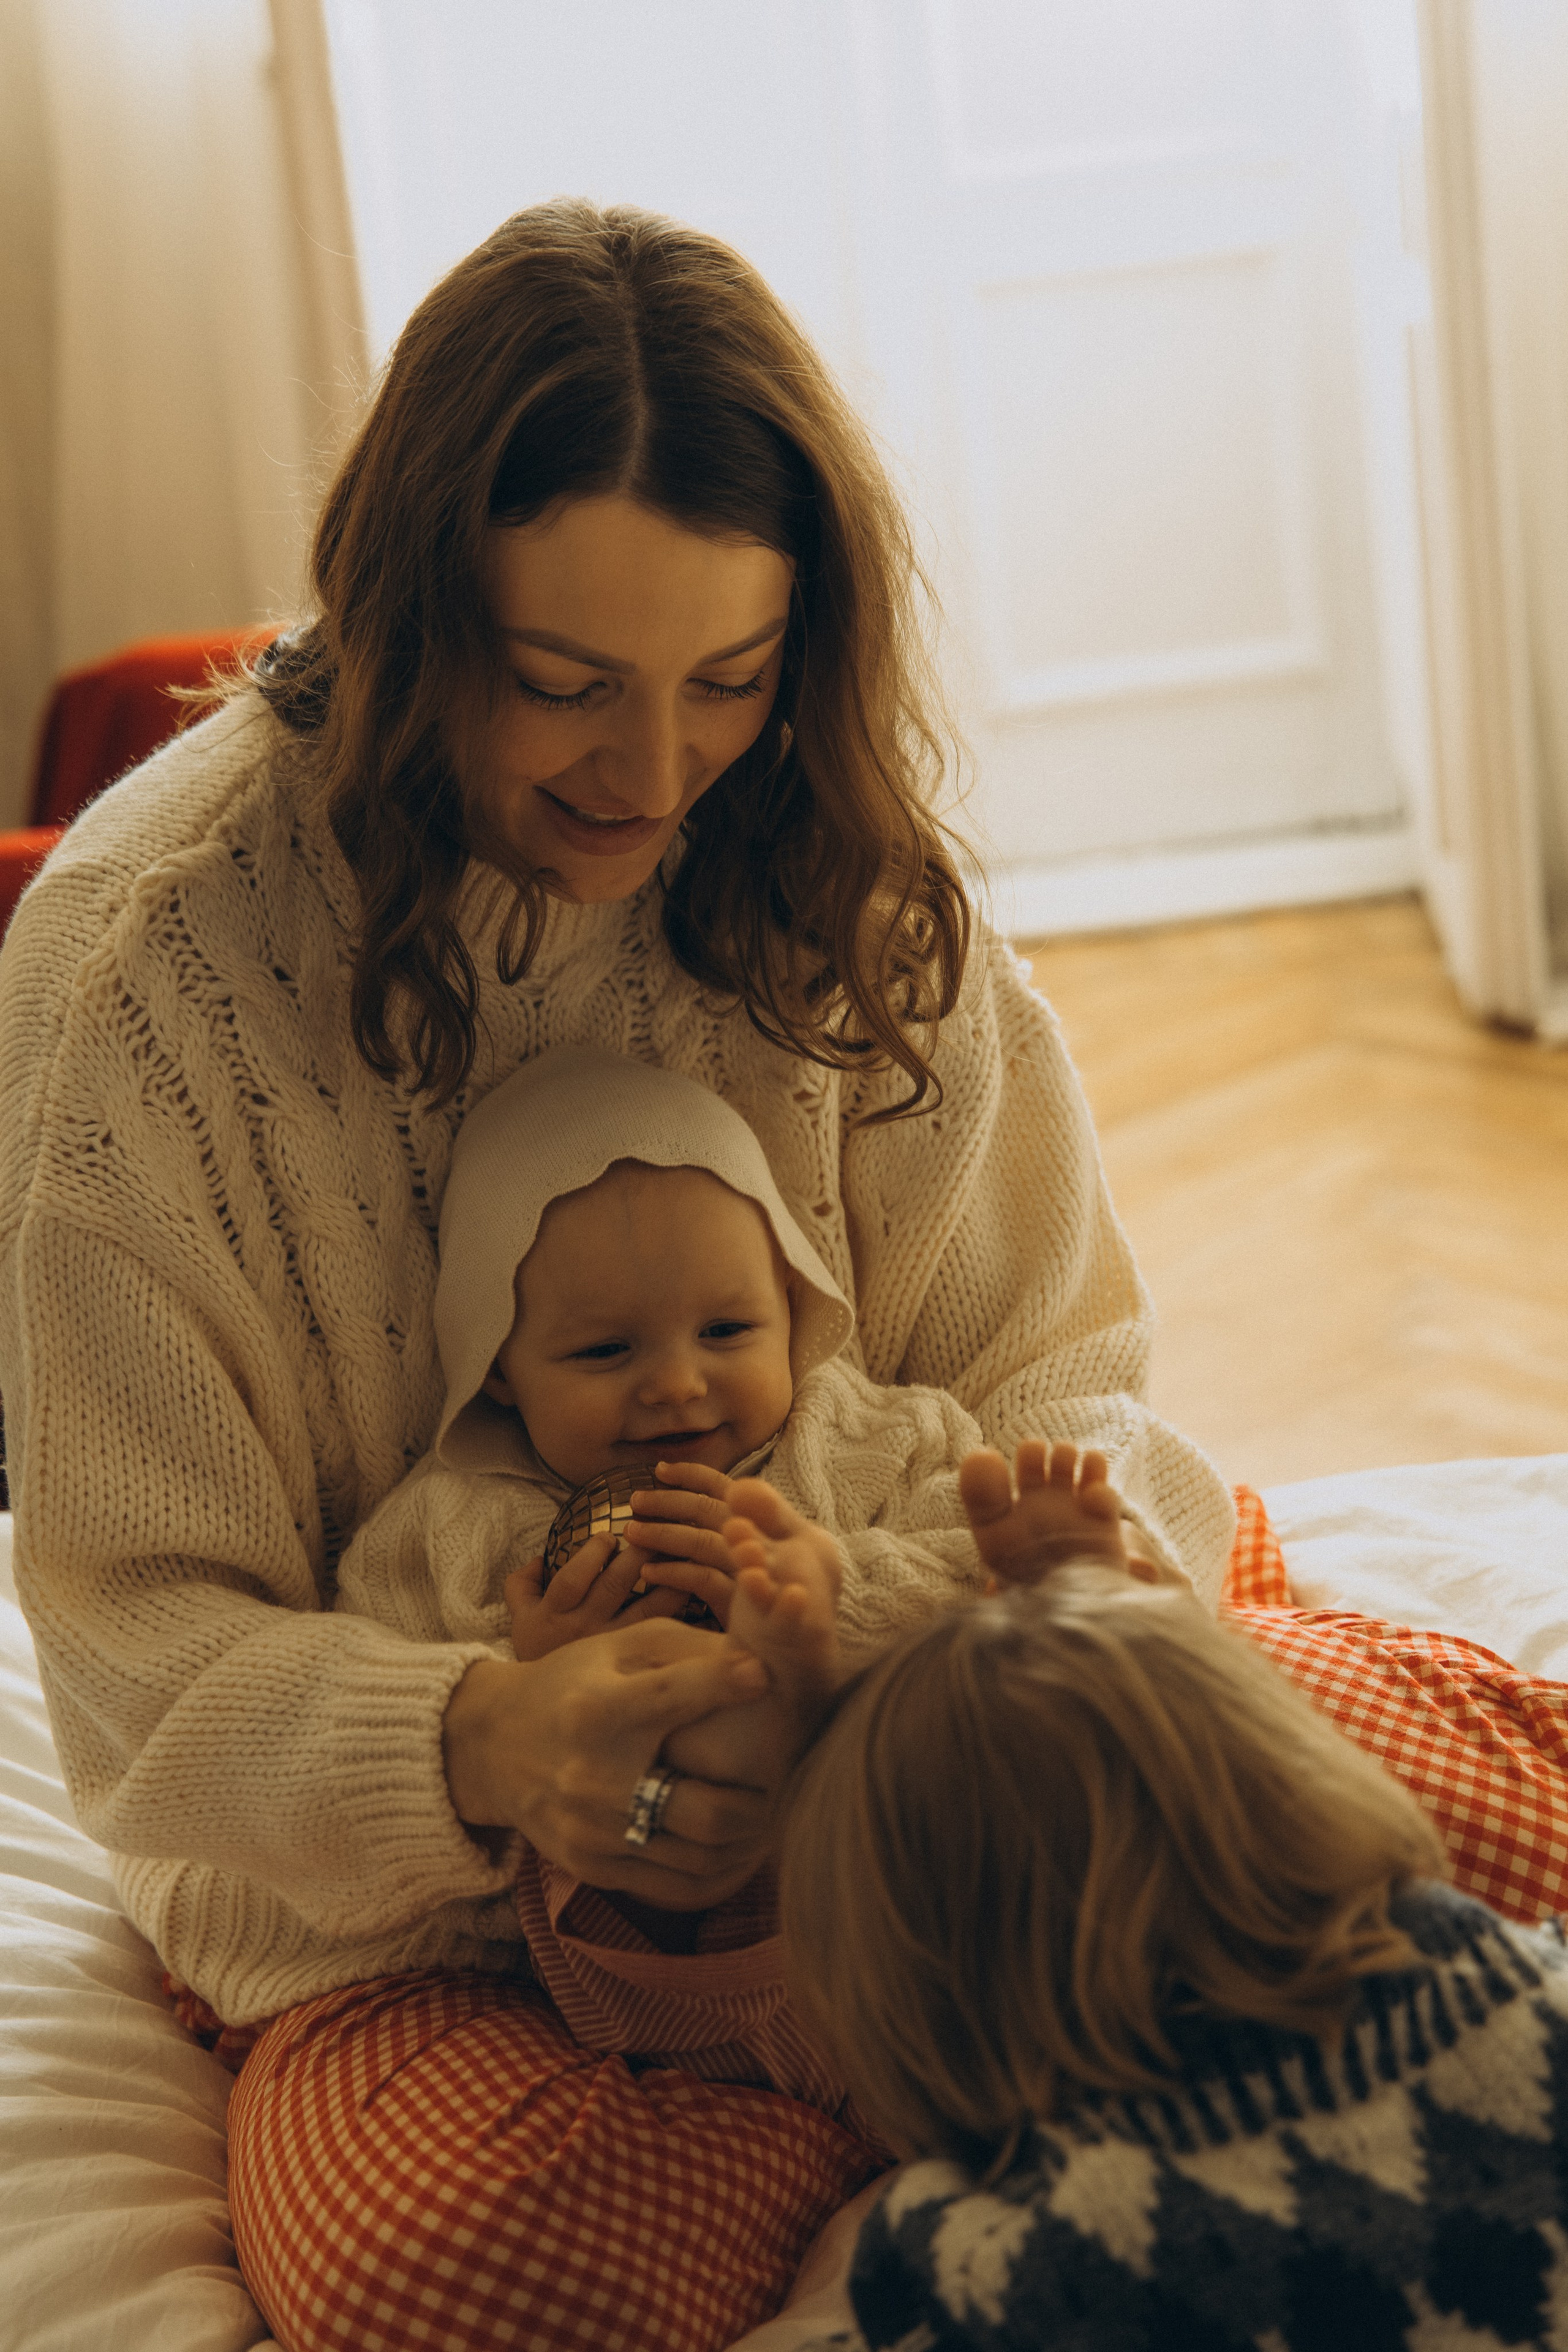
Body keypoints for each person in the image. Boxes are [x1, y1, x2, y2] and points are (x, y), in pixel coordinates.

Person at [0, 198, 1237, 2352]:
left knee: (1420, 1842)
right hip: (421, 1920)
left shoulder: (837, 866)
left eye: (731, 683)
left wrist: (893, 1642)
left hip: (922, 1778)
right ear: (396, 618)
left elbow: (1070, 1387)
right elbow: (137, 1659)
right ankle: (921, 2108)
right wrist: (488, 1742)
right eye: (563, 685)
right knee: (447, 2270)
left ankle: (874, 2092)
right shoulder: (142, 982)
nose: (656, 775)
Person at [761, 1450, 1568, 2351]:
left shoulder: (1015, 2257)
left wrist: (797, 1747)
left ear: (913, 1999)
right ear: (1304, 1770)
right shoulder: (1519, 1990)